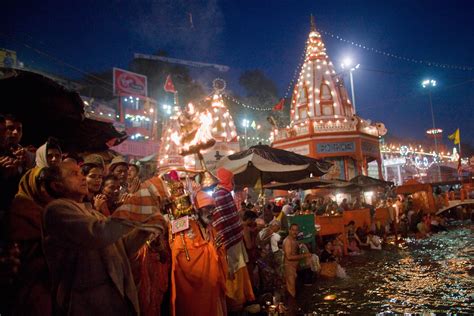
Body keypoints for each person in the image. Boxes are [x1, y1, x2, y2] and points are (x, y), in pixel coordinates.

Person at [41, 161, 157, 315]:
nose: (82, 178)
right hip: (86, 301)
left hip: (114, 296)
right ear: (57, 186)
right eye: (74, 174)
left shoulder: (92, 212)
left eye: (81, 173)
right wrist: (137, 207)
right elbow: (99, 234)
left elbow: (123, 247)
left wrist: (147, 227)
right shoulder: (56, 210)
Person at [4, 167, 53, 315]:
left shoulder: (55, 209)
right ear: (32, 185)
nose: (49, 189)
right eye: (45, 184)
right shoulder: (20, 211)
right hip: (30, 284)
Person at [170, 190, 227, 316]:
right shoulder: (185, 225)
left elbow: (219, 249)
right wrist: (211, 249)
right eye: (207, 208)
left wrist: (218, 250)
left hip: (212, 284)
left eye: (213, 208)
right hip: (194, 287)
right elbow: (184, 257)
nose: (211, 211)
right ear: (197, 209)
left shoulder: (211, 228)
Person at [212, 167, 255, 312]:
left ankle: (239, 302)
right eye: (231, 179)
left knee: (237, 269)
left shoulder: (222, 193)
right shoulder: (221, 194)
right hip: (228, 241)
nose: (233, 182)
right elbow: (221, 220)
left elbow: (230, 217)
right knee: (232, 271)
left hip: (232, 238)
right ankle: (235, 304)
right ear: (226, 179)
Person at [283, 223, 311, 298]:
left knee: (295, 288)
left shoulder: (295, 240)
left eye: (296, 230)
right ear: (289, 231)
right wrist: (304, 256)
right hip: (289, 267)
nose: (295, 232)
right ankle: (291, 307)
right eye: (293, 230)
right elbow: (289, 257)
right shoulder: (288, 241)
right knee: (291, 289)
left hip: (295, 267)